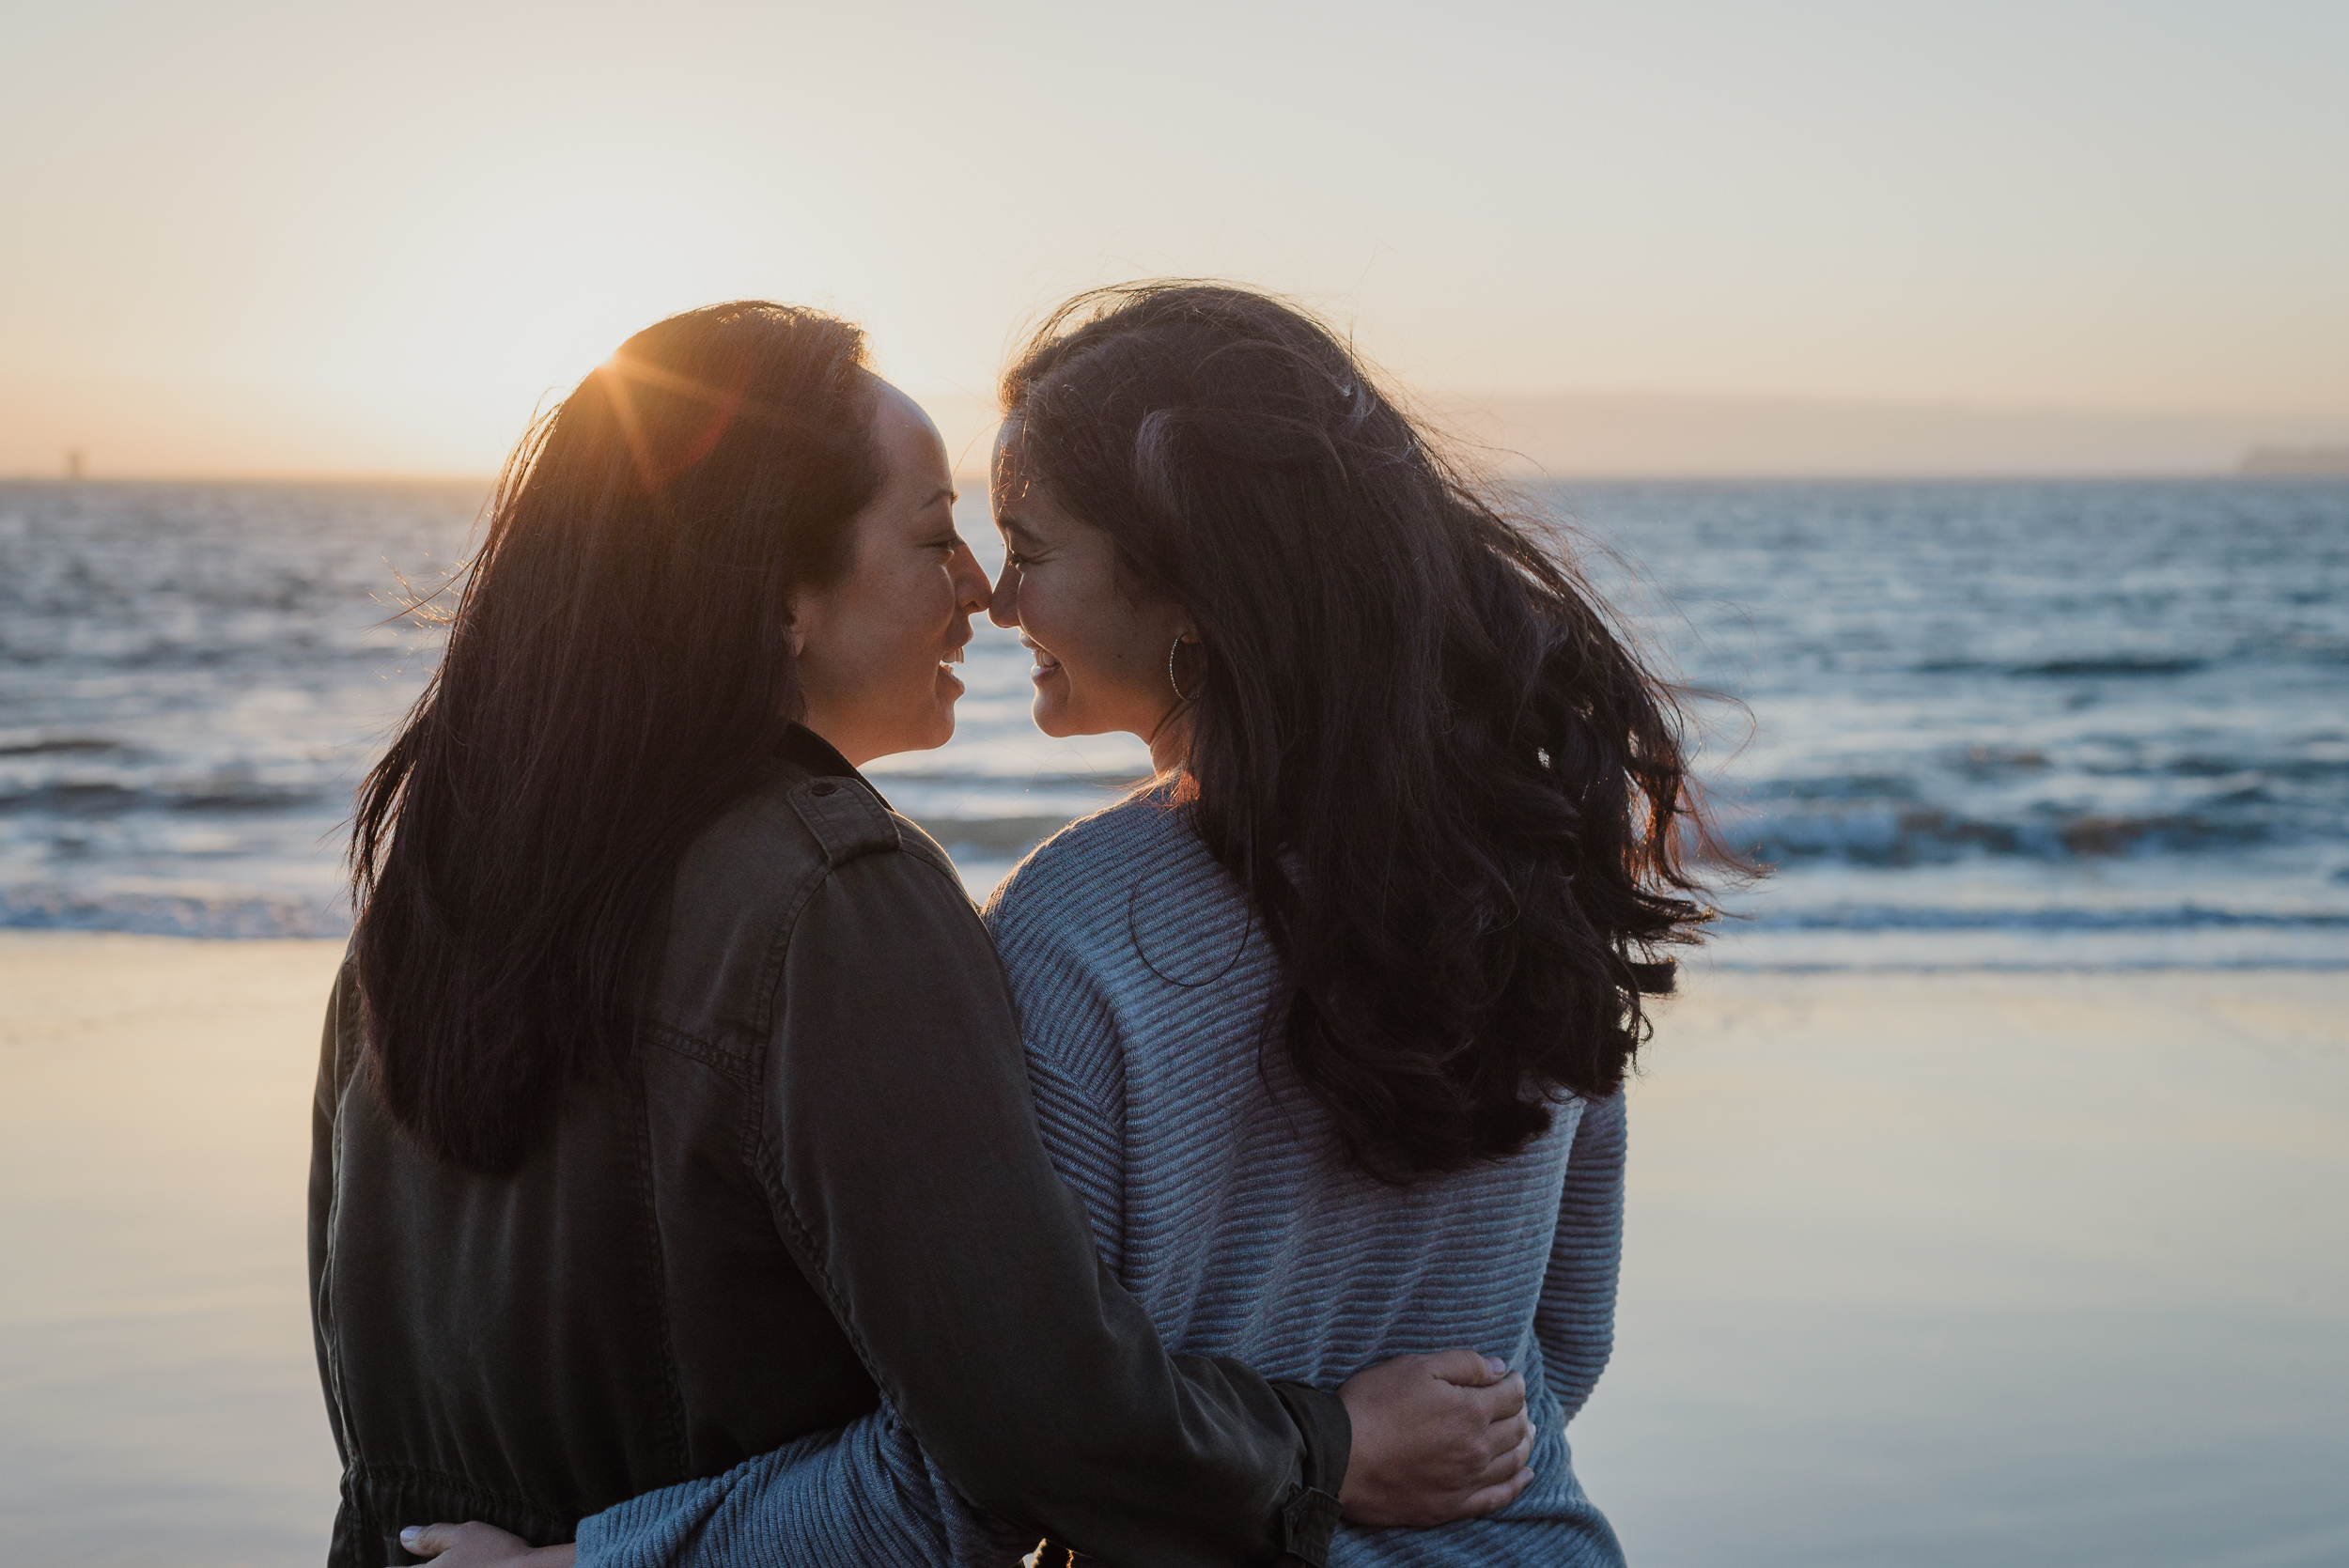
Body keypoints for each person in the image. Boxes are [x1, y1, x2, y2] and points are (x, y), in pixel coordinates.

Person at [462, 282, 1722, 1567]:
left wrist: (583, 1563)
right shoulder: (1534, 857)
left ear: (1186, 582)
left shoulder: (1076, 938)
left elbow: (968, 1475)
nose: (996, 599)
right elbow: (1562, 1342)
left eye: (1028, 544)